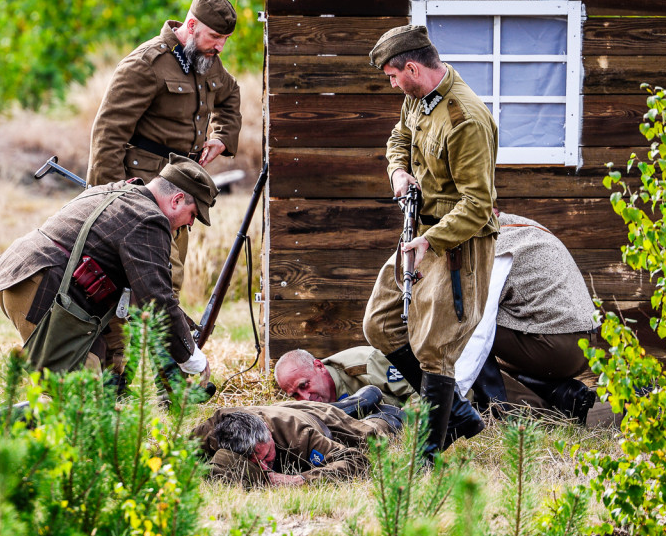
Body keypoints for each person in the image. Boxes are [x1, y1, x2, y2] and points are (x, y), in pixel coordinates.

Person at [86, 0, 242, 372]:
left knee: (165, 286)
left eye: (223, 40)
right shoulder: (146, 64)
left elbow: (231, 95)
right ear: (191, 26)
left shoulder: (207, 62)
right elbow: (108, 133)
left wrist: (222, 138)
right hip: (138, 194)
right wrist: (107, 199)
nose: (220, 46)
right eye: (214, 37)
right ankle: (116, 374)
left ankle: (164, 376)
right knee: (123, 289)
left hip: (180, 199)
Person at [361, 24, 499, 458]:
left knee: (433, 347)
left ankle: (429, 454)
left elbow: (479, 204)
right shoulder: (418, 98)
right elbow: (399, 136)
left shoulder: (465, 120)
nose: (392, 84)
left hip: (457, 243)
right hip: (418, 230)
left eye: (392, 76)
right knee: (380, 322)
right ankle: (458, 413)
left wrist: (431, 242)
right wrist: (398, 171)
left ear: (414, 68)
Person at [0, 157, 218, 385]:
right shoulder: (149, 220)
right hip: (40, 290)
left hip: (16, 274)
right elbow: (156, 301)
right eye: (193, 215)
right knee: (81, 405)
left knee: (103, 383)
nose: (190, 224)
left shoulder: (114, 190)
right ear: (176, 200)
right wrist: (190, 356)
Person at [458, 209, 609, 425]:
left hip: (557, 344)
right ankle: (565, 395)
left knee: (460, 325)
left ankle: (510, 412)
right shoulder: (520, 228)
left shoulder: (490, 243)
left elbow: (475, 321)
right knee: (494, 357)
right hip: (583, 342)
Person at [192, 401, 400, 487]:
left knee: (372, 435)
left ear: (267, 431)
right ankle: (347, 403)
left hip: (319, 419)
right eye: (255, 461)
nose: (265, 467)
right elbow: (173, 453)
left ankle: (380, 414)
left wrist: (301, 479)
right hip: (279, 407)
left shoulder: (299, 435)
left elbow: (356, 461)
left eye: (266, 456)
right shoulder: (214, 429)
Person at [273, 346, 413, 407]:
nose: (305, 398)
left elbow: (419, 391)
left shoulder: (367, 364)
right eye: (295, 395)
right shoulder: (307, 408)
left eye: (304, 385)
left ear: (319, 367)